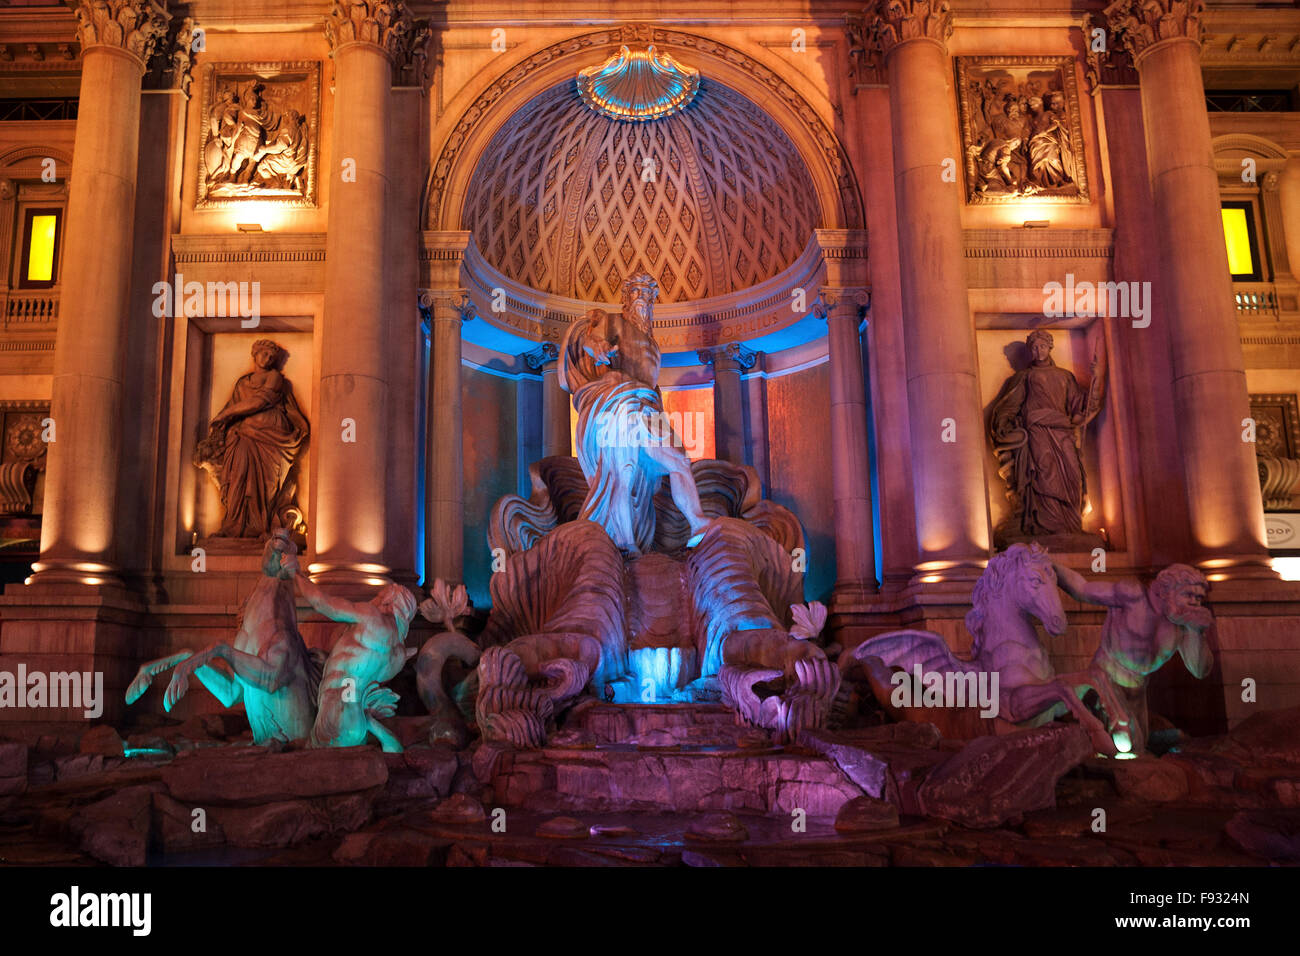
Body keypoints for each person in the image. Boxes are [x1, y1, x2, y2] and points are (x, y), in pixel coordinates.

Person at [559, 272, 710, 554]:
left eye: (647, 295)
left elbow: (651, 386)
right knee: (621, 473)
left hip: (646, 406)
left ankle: (698, 524)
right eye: (636, 293)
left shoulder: (653, 345)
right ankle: (627, 544)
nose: (641, 299)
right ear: (627, 298)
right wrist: (599, 347)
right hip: (616, 401)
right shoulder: (613, 321)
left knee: (678, 460)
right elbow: (592, 340)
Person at [294, 572, 418, 753]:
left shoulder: (371, 616)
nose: (374, 600)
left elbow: (321, 603)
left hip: (337, 709)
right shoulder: (398, 654)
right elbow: (355, 681)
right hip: (353, 710)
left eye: (379, 596)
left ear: (389, 600)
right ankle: (373, 728)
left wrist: (297, 574)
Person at [197, 339, 310, 538]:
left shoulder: (275, 378)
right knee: (237, 477)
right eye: (264, 354)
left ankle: (261, 526)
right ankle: (234, 525)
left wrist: (226, 414)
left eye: (272, 357)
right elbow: (232, 407)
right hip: (242, 437)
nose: (267, 359)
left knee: (266, 483)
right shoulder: (243, 383)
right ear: (255, 353)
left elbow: (260, 401)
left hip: (271, 438)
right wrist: (221, 424)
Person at [988, 330, 1092, 536]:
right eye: (1034, 347)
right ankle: (1046, 525)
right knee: (1045, 473)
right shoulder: (1024, 377)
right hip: (1037, 432)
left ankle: (1071, 525)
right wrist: (1004, 425)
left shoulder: (1065, 376)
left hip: (1063, 432)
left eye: (1042, 346)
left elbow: (1080, 406)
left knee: (1072, 475)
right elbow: (1009, 406)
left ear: (1049, 347)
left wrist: (1095, 384)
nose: (1038, 350)